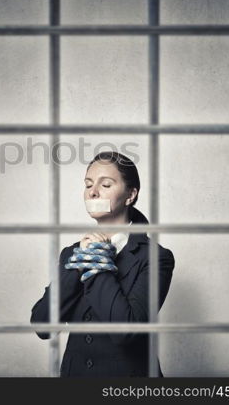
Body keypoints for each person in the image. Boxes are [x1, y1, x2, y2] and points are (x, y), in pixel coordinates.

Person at [30, 151, 175, 377]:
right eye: (88, 185)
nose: (93, 192)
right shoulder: (71, 253)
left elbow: (126, 332)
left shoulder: (156, 258)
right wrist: (79, 263)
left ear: (130, 195)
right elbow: (42, 325)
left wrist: (97, 260)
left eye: (105, 185)